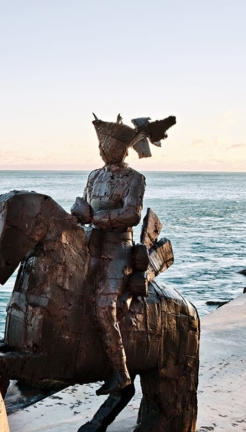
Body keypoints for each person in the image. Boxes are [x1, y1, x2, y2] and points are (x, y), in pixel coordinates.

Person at [71, 114, 175, 395]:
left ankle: (121, 373)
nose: (103, 151)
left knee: (104, 308)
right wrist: (78, 212)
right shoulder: (94, 176)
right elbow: (82, 202)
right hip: (91, 243)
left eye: (107, 146)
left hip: (119, 249)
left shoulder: (134, 179)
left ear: (120, 149)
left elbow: (131, 214)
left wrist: (95, 217)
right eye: (101, 147)